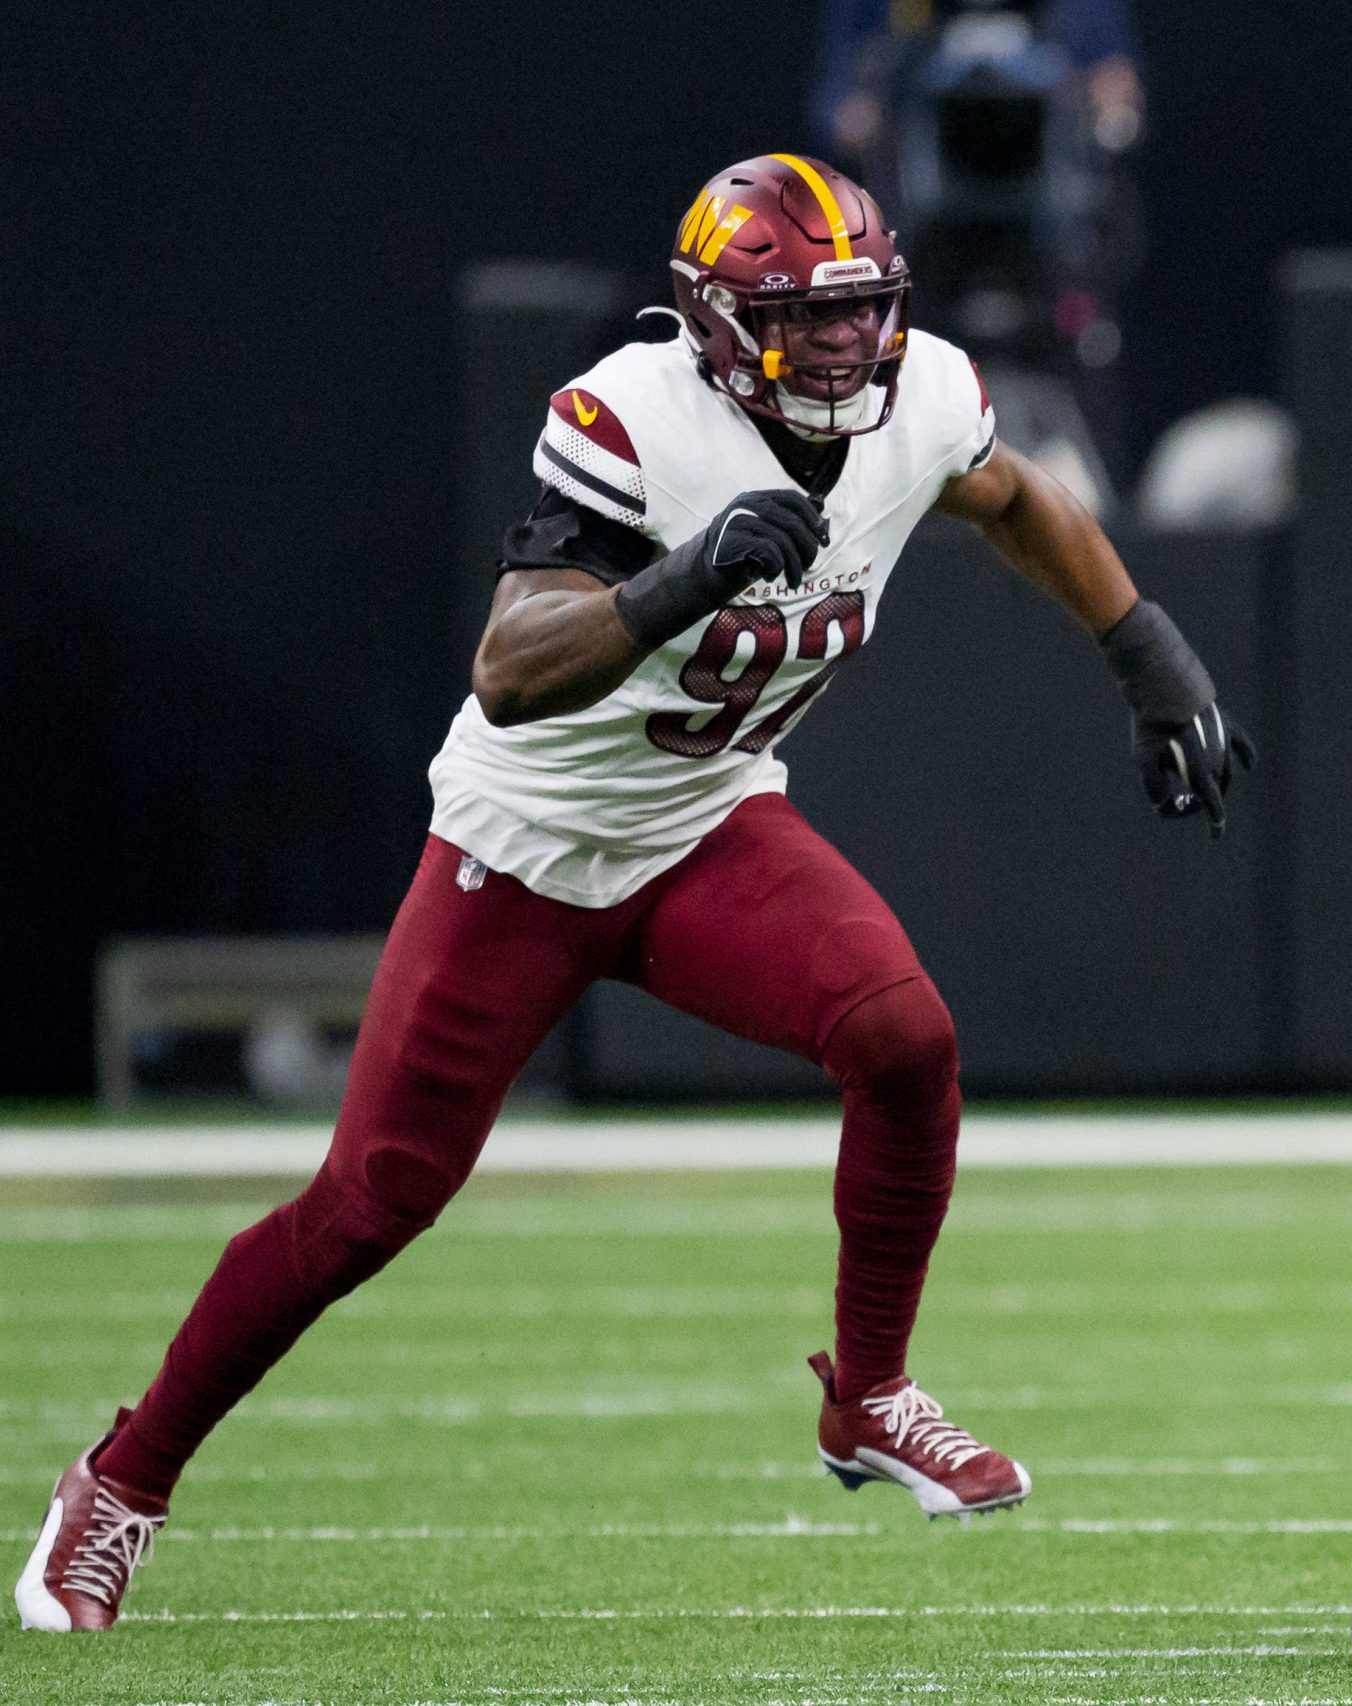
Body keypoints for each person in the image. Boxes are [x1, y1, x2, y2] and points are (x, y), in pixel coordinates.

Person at [17, 151, 1251, 1634]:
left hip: (705, 822)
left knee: (907, 1039)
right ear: (718, 327)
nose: (852, 346)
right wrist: (683, 580)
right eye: (810, 320)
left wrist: (1144, 646)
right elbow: (510, 669)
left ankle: (869, 1394)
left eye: (864, 311)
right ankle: (121, 1481)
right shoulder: (632, 424)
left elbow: (1013, 497)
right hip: (525, 850)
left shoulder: (919, 393)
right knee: (370, 1201)